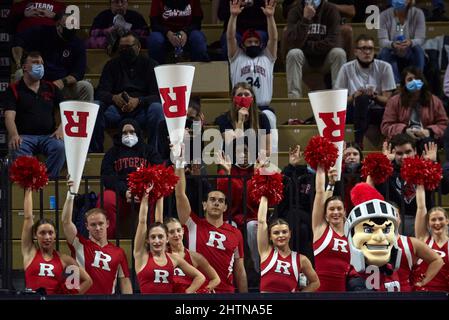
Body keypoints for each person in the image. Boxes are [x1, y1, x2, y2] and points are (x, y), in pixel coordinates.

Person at [174, 146, 248, 293]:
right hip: (199, 292)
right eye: (212, 199)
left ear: (225, 207)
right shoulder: (192, 224)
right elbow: (180, 194)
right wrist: (179, 163)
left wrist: (244, 299)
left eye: (221, 201)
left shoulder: (235, 233)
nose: (216, 203)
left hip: (226, 293)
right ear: (204, 205)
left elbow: (240, 270)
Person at [93, 32, 165, 152]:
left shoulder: (151, 65)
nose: (124, 50)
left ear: (138, 46)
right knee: (95, 107)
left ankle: (154, 154)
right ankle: (95, 152)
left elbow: (158, 96)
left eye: (128, 47)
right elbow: (100, 93)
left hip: (142, 111)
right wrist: (114, 98)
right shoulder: (111, 65)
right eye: (122, 48)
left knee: (157, 108)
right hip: (116, 110)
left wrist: (138, 101)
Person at [61, 182, 133, 294]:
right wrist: (70, 194)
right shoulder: (79, 244)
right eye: (93, 225)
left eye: (101, 223)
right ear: (87, 226)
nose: (98, 228)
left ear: (107, 224)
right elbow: (66, 222)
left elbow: (124, 281)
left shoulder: (119, 252)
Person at [3, 51, 65, 179]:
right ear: (25, 67)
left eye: (41, 63)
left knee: (60, 147)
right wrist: (14, 135)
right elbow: (9, 116)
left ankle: (46, 181)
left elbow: (67, 110)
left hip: (48, 136)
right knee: (16, 146)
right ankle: (30, 183)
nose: (40, 66)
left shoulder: (51, 87)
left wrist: (61, 129)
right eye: (35, 63)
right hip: (24, 137)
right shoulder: (14, 89)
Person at [227, 0, 278, 154]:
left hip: (263, 108)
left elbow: (274, 39)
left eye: (256, 41)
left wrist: (270, 18)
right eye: (249, 41)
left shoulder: (267, 57)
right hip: (240, 107)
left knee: (269, 119)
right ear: (243, 44)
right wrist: (233, 16)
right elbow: (230, 38)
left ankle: (270, 164)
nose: (253, 43)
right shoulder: (236, 57)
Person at [98, 119, 163, 238]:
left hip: (144, 194)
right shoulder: (112, 153)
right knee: (106, 199)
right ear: (119, 134)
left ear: (137, 132)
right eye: (125, 133)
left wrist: (143, 191)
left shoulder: (149, 151)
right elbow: (107, 177)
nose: (128, 135)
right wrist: (125, 191)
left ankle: (151, 239)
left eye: (132, 132)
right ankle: (107, 240)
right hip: (121, 195)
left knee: (156, 197)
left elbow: (159, 171)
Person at [22, 188, 92, 294]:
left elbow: (88, 281)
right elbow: (28, 218)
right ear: (35, 235)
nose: (47, 237)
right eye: (42, 233)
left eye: (50, 233)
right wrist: (28, 189)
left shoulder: (65, 259)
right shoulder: (29, 253)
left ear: (55, 235)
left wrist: (71, 296)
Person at [11, 13, 94, 102]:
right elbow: (18, 40)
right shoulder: (43, 32)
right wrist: (18, 63)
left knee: (86, 87)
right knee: (20, 74)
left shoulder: (78, 44)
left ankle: (84, 115)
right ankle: (21, 112)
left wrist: (63, 81)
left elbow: (79, 73)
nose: (71, 29)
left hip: (63, 85)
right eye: (68, 26)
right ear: (58, 25)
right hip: (38, 82)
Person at [135, 190, 205, 294]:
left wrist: (185, 294)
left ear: (167, 238)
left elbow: (200, 277)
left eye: (160, 237)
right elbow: (142, 221)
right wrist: (145, 196)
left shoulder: (174, 259)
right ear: (147, 240)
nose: (157, 241)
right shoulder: (141, 256)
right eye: (153, 237)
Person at [335, 34, 396, 148]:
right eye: (363, 48)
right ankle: (358, 142)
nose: (367, 52)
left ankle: (362, 143)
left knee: (389, 111)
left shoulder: (385, 67)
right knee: (361, 100)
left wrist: (374, 96)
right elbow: (338, 101)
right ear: (356, 52)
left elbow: (388, 101)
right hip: (354, 110)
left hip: (377, 111)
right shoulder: (346, 68)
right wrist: (354, 96)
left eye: (370, 48)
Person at [154, 193, 221, 293]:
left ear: (183, 231)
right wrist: (160, 194)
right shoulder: (162, 253)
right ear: (165, 236)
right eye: (171, 232)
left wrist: (204, 290)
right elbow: (158, 221)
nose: (176, 234)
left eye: (178, 230)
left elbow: (216, 279)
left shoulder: (195, 257)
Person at [345, 182, 402, 292]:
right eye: (368, 229)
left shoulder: (390, 270)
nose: (380, 237)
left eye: (386, 230)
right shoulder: (356, 280)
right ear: (351, 234)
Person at [257, 194, 319, 292]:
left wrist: (300, 296)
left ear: (290, 234)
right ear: (270, 236)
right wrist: (265, 192)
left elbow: (315, 282)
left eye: (284, 232)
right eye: (276, 233)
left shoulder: (302, 259)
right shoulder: (266, 251)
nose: (281, 235)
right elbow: (261, 222)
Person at [285, 0, 346, 98]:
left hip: (325, 60)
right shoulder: (295, 10)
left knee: (339, 53)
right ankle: (294, 100)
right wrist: (305, 19)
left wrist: (307, 46)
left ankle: (338, 98)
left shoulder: (331, 10)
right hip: (305, 61)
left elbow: (333, 41)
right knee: (293, 53)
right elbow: (293, 42)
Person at [381, 66, 448, 153]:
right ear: (404, 83)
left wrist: (429, 131)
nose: (414, 81)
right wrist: (404, 130)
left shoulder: (434, 101)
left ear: (422, 81)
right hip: (402, 137)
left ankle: (430, 166)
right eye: (410, 79)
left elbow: (444, 125)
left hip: (426, 137)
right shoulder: (394, 101)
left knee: (428, 143)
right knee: (404, 145)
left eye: (417, 78)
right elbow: (386, 126)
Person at [380, 134, 435, 236]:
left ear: (415, 151)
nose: (404, 157)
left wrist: (431, 164)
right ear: (393, 154)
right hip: (397, 220)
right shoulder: (389, 171)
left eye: (408, 152)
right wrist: (385, 163)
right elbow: (379, 191)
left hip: (424, 218)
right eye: (399, 153)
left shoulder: (424, 168)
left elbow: (443, 187)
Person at [386, 202, 443, 291]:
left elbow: (437, 260)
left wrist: (421, 282)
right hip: (376, 294)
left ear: (400, 219)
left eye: (395, 214)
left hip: (405, 294)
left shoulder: (412, 243)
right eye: (388, 213)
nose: (391, 218)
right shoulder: (368, 242)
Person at [312, 165, 351, 292]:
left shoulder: (352, 233)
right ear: (325, 214)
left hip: (343, 292)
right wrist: (321, 167)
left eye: (339, 209)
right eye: (331, 209)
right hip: (320, 293)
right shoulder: (320, 228)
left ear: (345, 212)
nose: (336, 212)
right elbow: (319, 193)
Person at [214, 82, 271, 156]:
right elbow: (235, 147)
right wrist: (240, 121)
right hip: (232, 162)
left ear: (252, 99)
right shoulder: (223, 118)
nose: (243, 97)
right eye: (239, 95)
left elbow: (267, 151)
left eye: (247, 95)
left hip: (255, 162)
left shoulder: (262, 118)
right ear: (234, 99)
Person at [377, 0, 426, 83]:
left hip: (410, 50)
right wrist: (392, 44)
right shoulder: (384, 15)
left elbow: (420, 38)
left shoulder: (418, 13)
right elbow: (382, 40)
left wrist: (410, 42)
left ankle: (417, 81)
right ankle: (396, 86)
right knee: (385, 51)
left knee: (418, 49)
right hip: (392, 50)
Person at [414, 183, 449, 291]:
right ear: (428, 223)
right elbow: (421, 207)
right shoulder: (423, 239)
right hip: (421, 294)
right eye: (433, 220)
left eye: (440, 219)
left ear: (447, 221)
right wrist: (419, 181)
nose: (437, 223)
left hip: (444, 294)